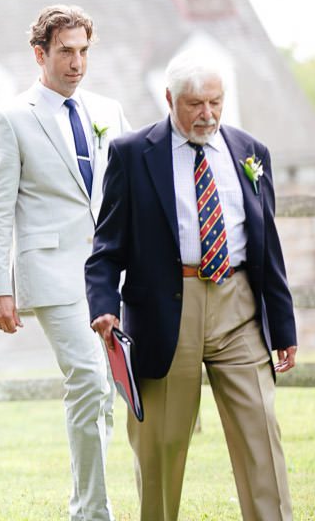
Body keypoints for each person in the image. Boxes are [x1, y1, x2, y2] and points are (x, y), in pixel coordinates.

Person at [85, 51, 297, 521]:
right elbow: (106, 249)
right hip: (165, 311)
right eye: (195, 104)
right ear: (169, 99)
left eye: (216, 102)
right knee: (161, 443)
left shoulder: (250, 152)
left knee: (260, 433)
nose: (208, 115)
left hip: (238, 304)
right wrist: (103, 306)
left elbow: (268, 249)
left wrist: (283, 328)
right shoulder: (131, 154)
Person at [0, 4, 130, 521]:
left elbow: (129, 193)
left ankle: (91, 505)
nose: (77, 62)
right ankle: (92, 511)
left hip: (113, 273)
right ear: (40, 54)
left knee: (112, 387)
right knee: (89, 379)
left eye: (84, 51)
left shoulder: (109, 111)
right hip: (52, 272)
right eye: (66, 51)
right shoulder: (11, 118)